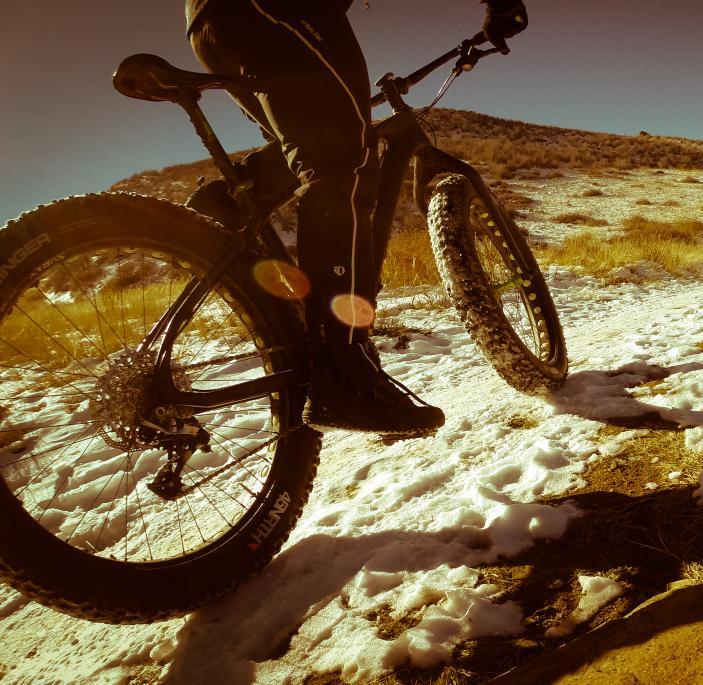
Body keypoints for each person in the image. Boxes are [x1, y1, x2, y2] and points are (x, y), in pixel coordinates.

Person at [183, 0, 529, 438]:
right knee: (339, 162)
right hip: (272, 12)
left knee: (314, 147)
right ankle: (343, 371)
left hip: (212, 23)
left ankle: (221, 213)